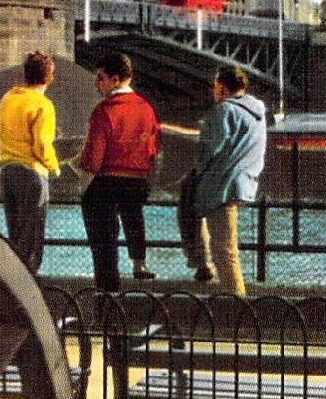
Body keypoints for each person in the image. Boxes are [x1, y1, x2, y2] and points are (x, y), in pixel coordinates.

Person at [166, 67, 267, 297]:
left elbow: (210, 148)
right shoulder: (257, 111)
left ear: (221, 88)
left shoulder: (223, 110)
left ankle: (235, 304)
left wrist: (200, 165)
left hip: (222, 184)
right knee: (223, 244)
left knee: (224, 250)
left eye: (215, 87)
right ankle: (204, 266)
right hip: (243, 182)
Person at [77, 51, 161, 292]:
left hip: (107, 182)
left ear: (115, 80)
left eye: (100, 78)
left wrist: (80, 172)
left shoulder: (104, 111)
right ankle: (139, 263)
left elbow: (94, 159)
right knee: (133, 216)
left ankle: (107, 288)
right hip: (137, 181)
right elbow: (153, 148)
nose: (97, 83)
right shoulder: (146, 108)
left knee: (103, 238)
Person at [0, 50, 60, 274]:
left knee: (15, 236)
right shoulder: (43, 105)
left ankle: (12, 283)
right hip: (32, 173)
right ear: (49, 78)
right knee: (31, 237)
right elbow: (41, 144)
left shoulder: (8, 98)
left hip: (7, 172)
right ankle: (28, 285)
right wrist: (54, 167)